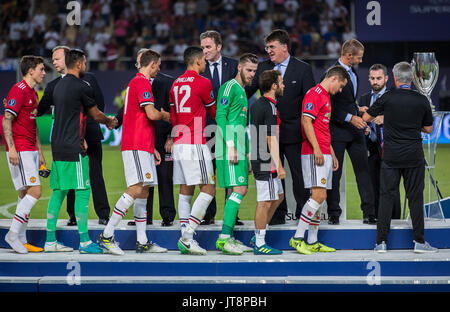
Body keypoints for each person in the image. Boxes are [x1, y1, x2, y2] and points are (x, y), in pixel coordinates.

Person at [97, 49, 170, 255]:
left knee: (144, 190)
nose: (159, 69)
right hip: (136, 144)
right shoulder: (141, 82)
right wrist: (166, 116)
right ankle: (107, 235)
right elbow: (151, 113)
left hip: (142, 145)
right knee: (136, 187)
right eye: (159, 65)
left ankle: (142, 240)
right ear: (153, 64)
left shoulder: (135, 83)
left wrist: (151, 148)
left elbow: (138, 117)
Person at [45, 49, 117, 254]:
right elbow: (96, 114)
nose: (86, 65)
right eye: (84, 62)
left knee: (58, 191)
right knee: (83, 190)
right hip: (73, 146)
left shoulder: (57, 87)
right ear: (77, 64)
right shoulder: (81, 86)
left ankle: (50, 240)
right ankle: (85, 242)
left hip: (57, 146)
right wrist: (110, 121)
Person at [362, 61, 438, 253]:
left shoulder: (387, 98)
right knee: (415, 198)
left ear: (394, 79)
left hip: (391, 156)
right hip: (413, 155)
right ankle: (419, 242)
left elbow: (366, 119)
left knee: (386, 197)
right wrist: (412, 124)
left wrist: (387, 119)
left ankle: (381, 243)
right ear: (412, 79)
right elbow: (428, 128)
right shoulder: (421, 100)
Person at [246, 29, 315, 225]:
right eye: (267, 47)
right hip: (268, 134)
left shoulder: (302, 69)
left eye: (272, 47)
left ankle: (303, 215)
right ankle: (277, 216)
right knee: (273, 175)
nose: (268, 50)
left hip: (293, 133)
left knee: (299, 176)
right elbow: (247, 90)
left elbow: (309, 101)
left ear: (284, 47)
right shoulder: (262, 68)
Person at [290, 66, 349, 255]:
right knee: (318, 196)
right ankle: (298, 238)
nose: (340, 90)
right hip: (313, 152)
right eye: (340, 86)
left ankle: (313, 240)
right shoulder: (315, 94)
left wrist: (330, 153)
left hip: (323, 151)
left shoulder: (325, 97)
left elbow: (322, 128)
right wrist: (316, 148)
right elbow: (306, 121)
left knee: (319, 199)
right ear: (333, 78)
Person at [116, 48, 176, 227]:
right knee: (145, 182)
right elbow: (127, 110)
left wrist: (171, 136)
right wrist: (115, 121)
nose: (138, 64)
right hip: (144, 139)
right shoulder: (139, 82)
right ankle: (143, 218)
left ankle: (167, 216)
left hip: (162, 138)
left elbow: (173, 111)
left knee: (164, 178)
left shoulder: (166, 82)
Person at [168, 46, 217, 255]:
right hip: (195, 143)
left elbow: (173, 117)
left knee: (185, 190)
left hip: (178, 142)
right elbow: (214, 111)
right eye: (204, 61)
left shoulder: (175, 84)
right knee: (209, 189)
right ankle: (188, 237)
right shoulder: (204, 82)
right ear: (197, 61)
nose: (205, 64)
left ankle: (183, 234)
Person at [326, 38, 376, 225]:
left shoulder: (353, 73)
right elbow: (329, 105)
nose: (361, 61)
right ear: (348, 55)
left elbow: (346, 102)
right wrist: (350, 117)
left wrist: (357, 110)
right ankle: (333, 214)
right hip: (337, 131)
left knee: (364, 172)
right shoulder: (331, 74)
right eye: (359, 57)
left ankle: (369, 213)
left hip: (355, 132)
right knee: (335, 174)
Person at [215, 53, 258, 255]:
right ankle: (224, 239)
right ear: (239, 67)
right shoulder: (229, 87)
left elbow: (243, 124)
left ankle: (229, 236)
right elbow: (220, 117)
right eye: (249, 70)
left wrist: (248, 153)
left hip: (240, 146)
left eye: (254, 71)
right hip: (229, 146)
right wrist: (231, 146)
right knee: (238, 189)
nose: (252, 74)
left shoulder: (242, 91)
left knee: (241, 190)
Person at [3, 55, 46, 254]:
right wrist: (11, 148)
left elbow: (32, 123)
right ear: (30, 71)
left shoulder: (33, 93)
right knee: (35, 192)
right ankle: (12, 234)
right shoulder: (18, 90)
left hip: (30, 149)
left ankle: (22, 238)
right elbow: (6, 119)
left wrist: (40, 151)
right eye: (41, 69)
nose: (44, 73)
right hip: (20, 149)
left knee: (23, 193)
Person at [200, 30, 239, 225]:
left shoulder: (233, 66)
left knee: (230, 171)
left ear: (219, 47)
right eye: (203, 47)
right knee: (209, 172)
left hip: (230, 128)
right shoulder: (199, 67)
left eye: (208, 47)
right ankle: (208, 215)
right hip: (206, 128)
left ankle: (232, 216)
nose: (205, 51)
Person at [249, 70, 286, 255]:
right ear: (274, 86)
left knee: (278, 196)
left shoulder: (257, 104)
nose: (283, 85)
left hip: (260, 156)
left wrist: (250, 156)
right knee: (265, 201)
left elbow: (253, 132)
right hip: (266, 160)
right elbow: (270, 138)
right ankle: (259, 242)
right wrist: (278, 165)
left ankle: (258, 235)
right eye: (281, 82)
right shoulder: (269, 107)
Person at [359, 64, 401, 219]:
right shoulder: (364, 98)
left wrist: (386, 119)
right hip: (370, 150)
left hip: (390, 150)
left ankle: (396, 221)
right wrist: (365, 128)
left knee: (392, 188)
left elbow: (404, 120)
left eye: (378, 78)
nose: (375, 81)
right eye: (372, 78)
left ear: (386, 78)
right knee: (372, 187)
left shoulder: (395, 96)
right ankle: (375, 220)